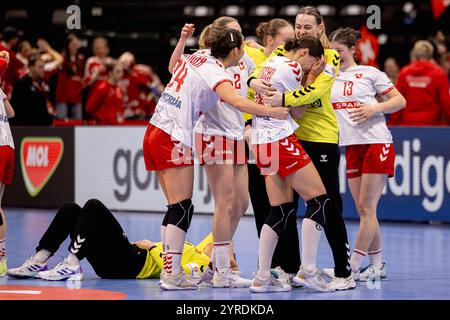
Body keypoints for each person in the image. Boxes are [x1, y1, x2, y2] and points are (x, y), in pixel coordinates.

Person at [143, 26, 288, 290]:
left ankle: (182, 271)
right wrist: (273, 112)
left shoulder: (201, 57)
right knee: (184, 207)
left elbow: (177, 66)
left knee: (213, 204)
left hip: (159, 128)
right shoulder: (215, 70)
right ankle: (183, 273)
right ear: (234, 50)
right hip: (179, 133)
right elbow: (237, 101)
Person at [249, 6, 354, 290]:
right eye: (298, 25)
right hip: (286, 134)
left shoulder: (328, 55)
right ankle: (292, 269)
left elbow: (319, 90)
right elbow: (254, 77)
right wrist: (257, 84)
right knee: (285, 208)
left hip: (318, 137)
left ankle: (344, 271)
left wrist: (281, 99)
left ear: (320, 29)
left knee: (327, 204)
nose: (301, 31)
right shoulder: (282, 54)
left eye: (308, 26)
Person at [321, 28, 406, 281]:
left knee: (365, 207)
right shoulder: (327, 77)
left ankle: (352, 266)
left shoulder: (370, 73)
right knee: (364, 210)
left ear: (352, 51)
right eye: (332, 52)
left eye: (341, 52)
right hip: (352, 146)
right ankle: (377, 264)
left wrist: (373, 108)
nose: (336, 56)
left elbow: (400, 101)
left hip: (376, 142)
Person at [7, 199, 240, 282]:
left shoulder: (201, 264)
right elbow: (223, 229)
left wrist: (226, 263)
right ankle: (40, 259)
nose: (214, 245)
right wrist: (227, 249)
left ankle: (72, 262)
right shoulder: (201, 246)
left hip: (131, 264)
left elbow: (195, 275)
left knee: (94, 207)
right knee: (71, 209)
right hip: (123, 257)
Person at [244, 19, 302, 282]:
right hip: (256, 139)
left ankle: (290, 266)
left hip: (283, 138)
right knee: (262, 206)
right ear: (270, 40)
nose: (293, 44)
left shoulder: (290, 65)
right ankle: (268, 266)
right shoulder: (252, 57)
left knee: (287, 206)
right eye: (287, 40)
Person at [388, 40, 450, 126]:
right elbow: (446, 103)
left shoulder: (404, 73)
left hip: (408, 125)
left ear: (414, 55)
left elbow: (397, 100)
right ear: (430, 55)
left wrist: (392, 124)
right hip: (432, 125)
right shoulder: (439, 73)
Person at [0, 52, 15, 277]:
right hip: (8, 146)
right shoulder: (1, 92)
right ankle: (1, 258)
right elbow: (11, 113)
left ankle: (1, 261)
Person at [9, 55, 53, 126]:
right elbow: (18, 108)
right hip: (28, 127)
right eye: (40, 67)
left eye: (43, 67)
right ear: (31, 68)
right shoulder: (22, 84)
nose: (43, 69)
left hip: (45, 126)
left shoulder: (44, 84)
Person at [55, 34, 85, 120]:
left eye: (76, 45)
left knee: (77, 120)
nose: (75, 47)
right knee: (61, 119)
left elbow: (83, 77)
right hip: (63, 96)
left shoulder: (81, 58)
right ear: (67, 45)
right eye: (72, 45)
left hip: (76, 96)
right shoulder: (61, 58)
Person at [86, 60, 125, 125]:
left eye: (122, 72)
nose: (121, 74)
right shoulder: (102, 88)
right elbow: (89, 108)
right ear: (110, 73)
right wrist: (100, 118)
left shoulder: (119, 89)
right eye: (118, 72)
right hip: (104, 126)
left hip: (117, 126)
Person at [0, 27, 24, 97]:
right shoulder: (10, 54)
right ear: (12, 39)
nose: (18, 40)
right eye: (16, 38)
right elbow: (23, 68)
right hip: (4, 86)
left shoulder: (11, 53)